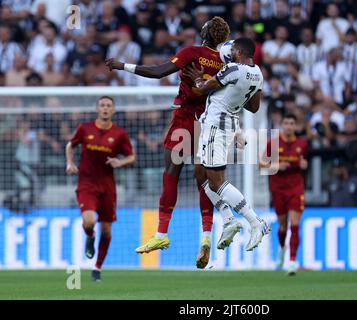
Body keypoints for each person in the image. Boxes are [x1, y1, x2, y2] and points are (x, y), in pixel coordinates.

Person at [105, 16, 230, 269]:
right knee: (204, 179)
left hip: (185, 118)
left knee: (171, 172)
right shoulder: (225, 63)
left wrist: (122, 66)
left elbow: (159, 71)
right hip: (209, 122)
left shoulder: (192, 52)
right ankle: (206, 236)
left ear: (205, 33)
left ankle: (161, 234)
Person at [183, 37, 270, 252]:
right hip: (227, 124)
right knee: (200, 172)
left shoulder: (233, 69)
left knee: (216, 182)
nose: (228, 54)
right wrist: (235, 95)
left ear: (239, 52)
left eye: (232, 51)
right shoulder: (258, 74)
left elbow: (203, 88)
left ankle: (255, 222)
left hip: (216, 127)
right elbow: (254, 107)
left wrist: (197, 79)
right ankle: (229, 219)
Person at [65, 96, 135, 282]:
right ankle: (90, 235)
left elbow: (131, 157)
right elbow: (70, 145)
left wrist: (120, 162)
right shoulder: (84, 128)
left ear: (113, 110)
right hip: (86, 183)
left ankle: (97, 268)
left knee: (106, 231)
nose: (105, 108)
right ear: (97, 109)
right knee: (89, 221)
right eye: (102, 105)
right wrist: (70, 163)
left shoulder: (119, 134)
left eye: (109, 106)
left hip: (107, 185)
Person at [259, 113, 308, 275]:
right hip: (278, 188)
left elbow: (305, 162)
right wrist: (277, 166)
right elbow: (261, 166)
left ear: (295, 126)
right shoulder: (272, 144)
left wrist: (303, 164)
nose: (289, 126)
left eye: (292, 123)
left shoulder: (302, 144)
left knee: (294, 225)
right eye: (286, 123)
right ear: (282, 125)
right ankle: (282, 249)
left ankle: (292, 261)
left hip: (295, 188)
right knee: (282, 226)